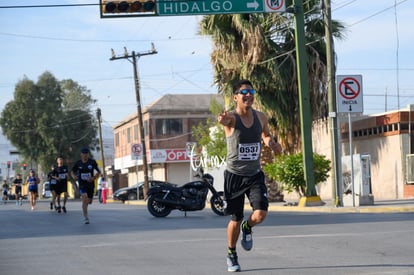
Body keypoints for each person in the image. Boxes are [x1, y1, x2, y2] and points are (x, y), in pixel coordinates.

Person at [217, 79, 282, 272]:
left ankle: (248, 227)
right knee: (235, 219)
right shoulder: (232, 119)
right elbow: (224, 121)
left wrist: (272, 144)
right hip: (234, 176)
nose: (248, 95)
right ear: (236, 97)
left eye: (251, 91)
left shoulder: (261, 117)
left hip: (254, 174)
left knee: (260, 214)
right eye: (243, 92)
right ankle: (231, 254)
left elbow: (266, 135)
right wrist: (222, 120)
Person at [71, 148, 101, 224]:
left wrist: (93, 177)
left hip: (90, 184)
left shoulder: (92, 162)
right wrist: (74, 176)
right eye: (83, 154)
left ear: (88, 154)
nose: (85, 156)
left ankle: (87, 203)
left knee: (89, 201)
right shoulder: (78, 163)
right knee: (84, 197)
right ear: (81, 155)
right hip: (82, 184)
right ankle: (86, 217)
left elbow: (99, 172)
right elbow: (72, 171)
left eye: (86, 154)